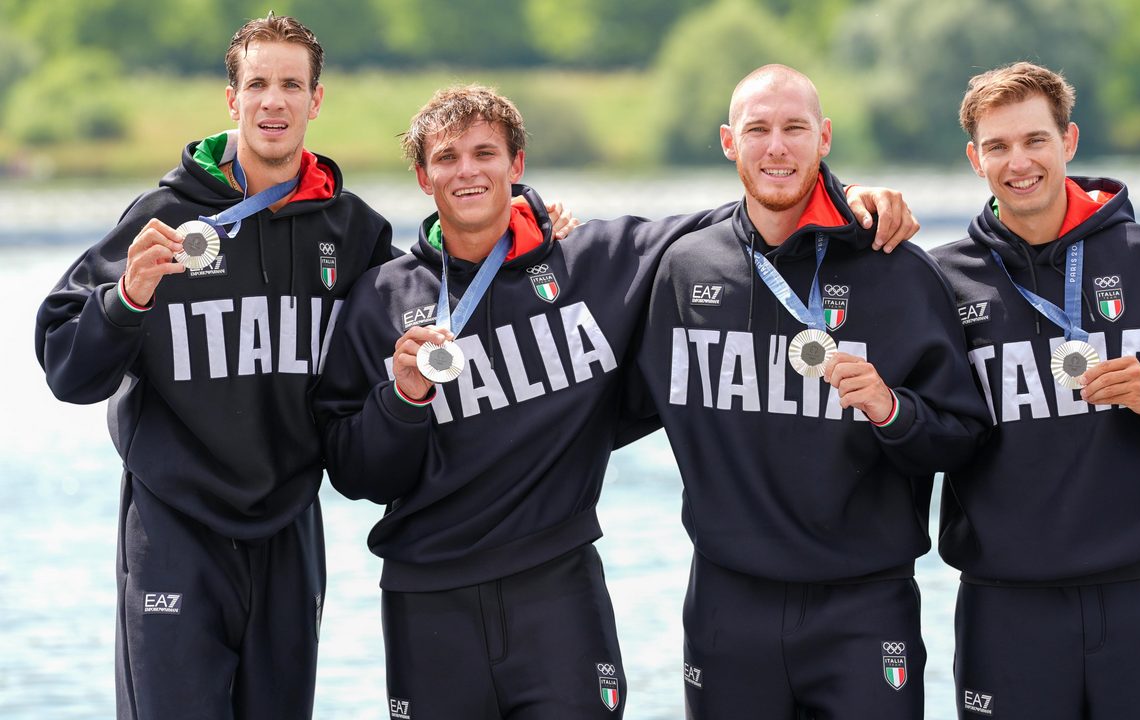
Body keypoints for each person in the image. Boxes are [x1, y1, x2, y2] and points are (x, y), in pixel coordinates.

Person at [311, 83, 918, 719]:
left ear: (516, 166)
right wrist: (403, 400)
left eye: (485, 153)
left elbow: (744, 216)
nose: (467, 171)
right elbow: (355, 475)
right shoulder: (379, 301)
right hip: (426, 600)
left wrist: (849, 197)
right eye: (447, 157)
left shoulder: (595, 261)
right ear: (421, 175)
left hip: (558, 591)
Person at [33, 14, 395, 719]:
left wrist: (534, 228)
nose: (273, 101)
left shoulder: (351, 232)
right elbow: (67, 372)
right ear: (231, 98)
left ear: (316, 100)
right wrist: (127, 297)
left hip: (289, 528)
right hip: (175, 528)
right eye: (257, 83)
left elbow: (429, 300)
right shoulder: (164, 216)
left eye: (291, 85)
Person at [633, 64, 990, 719]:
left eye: (795, 128)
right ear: (727, 141)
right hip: (726, 602)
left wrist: (892, 410)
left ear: (824, 138)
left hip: (863, 605)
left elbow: (963, 440)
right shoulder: (684, 269)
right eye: (758, 129)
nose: (777, 146)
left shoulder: (898, 269)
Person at [930, 61, 1140, 720]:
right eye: (997, 146)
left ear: (1069, 142)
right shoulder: (942, 279)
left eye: (1035, 140)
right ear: (975, 158)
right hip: (1007, 603)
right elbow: (922, 417)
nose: (1018, 161)